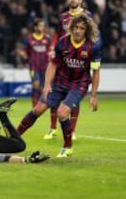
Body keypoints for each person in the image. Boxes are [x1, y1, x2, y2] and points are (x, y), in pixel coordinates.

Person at [17, 14, 101, 157]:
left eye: (82, 28)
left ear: (86, 30)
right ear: (71, 27)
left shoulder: (92, 47)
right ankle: (15, 136)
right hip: (59, 82)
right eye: (75, 27)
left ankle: (67, 147)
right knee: (38, 109)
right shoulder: (62, 42)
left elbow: (96, 72)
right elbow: (53, 63)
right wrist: (47, 85)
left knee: (62, 113)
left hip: (79, 84)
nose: (78, 31)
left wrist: (93, 95)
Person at [44, 0, 93, 140]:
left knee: (74, 95)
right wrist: (52, 48)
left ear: (81, 0)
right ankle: (53, 127)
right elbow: (58, 36)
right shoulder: (63, 17)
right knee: (55, 94)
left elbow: (92, 36)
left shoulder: (87, 16)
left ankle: (72, 130)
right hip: (63, 59)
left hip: (79, 59)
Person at [18, 18, 51, 107]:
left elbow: (50, 50)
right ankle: (35, 106)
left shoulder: (47, 39)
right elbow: (22, 50)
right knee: (36, 84)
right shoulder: (29, 39)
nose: (42, 28)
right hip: (34, 66)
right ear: (35, 27)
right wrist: (23, 54)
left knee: (43, 87)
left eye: (43, 26)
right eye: (40, 26)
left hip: (45, 66)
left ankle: (43, 104)